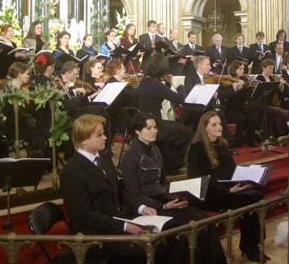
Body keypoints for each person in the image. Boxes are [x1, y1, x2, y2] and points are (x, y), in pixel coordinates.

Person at [61, 114, 196, 264]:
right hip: (96, 235)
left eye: (104, 133)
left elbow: (120, 191)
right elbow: (85, 216)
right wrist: (124, 225)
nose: (106, 137)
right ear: (84, 140)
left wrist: (141, 207)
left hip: (118, 219)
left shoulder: (103, 158)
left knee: (174, 232)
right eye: (100, 135)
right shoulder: (72, 171)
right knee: (155, 245)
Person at [119, 113, 226, 264]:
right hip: (150, 207)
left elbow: (162, 182)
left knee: (205, 221)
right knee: (189, 228)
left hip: (164, 199)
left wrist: (177, 194)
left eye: (155, 127)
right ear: (137, 131)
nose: (154, 131)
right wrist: (163, 205)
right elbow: (132, 194)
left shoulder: (156, 150)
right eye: (148, 128)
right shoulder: (130, 157)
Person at [186, 112, 269, 263]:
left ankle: (251, 245)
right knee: (248, 200)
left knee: (255, 194)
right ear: (205, 128)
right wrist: (227, 191)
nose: (219, 127)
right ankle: (251, 248)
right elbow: (201, 180)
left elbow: (231, 170)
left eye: (220, 124)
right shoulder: (196, 148)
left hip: (227, 188)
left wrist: (245, 178)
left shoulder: (222, 144)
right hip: (209, 193)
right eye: (214, 124)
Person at [136, 54, 194, 174]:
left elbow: (162, 93)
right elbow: (180, 99)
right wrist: (180, 86)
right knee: (188, 132)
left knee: (175, 129)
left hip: (146, 121)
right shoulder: (155, 84)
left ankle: (169, 165)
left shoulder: (146, 81)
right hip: (156, 125)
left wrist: (167, 83)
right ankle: (175, 165)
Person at [222, 60, 258, 146]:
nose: (243, 70)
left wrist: (249, 87)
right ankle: (237, 142)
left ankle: (251, 141)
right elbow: (226, 97)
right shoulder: (228, 81)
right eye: (240, 68)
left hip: (241, 107)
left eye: (243, 68)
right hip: (230, 109)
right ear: (234, 69)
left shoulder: (243, 80)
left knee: (253, 117)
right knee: (240, 118)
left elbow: (247, 97)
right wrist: (236, 88)